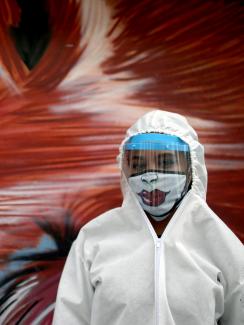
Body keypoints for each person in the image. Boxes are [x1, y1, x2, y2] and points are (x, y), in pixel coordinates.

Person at [52, 110, 244, 325]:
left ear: (192, 168)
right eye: (138, 165)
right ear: (124, 169)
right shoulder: (93, 241)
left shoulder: (219, 243)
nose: (151, 175)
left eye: (166, 163)